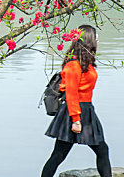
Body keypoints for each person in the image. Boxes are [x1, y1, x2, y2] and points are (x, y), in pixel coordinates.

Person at [41, 24, 111, 177]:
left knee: (102, 150)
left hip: (87, 110)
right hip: (73, 113)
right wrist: (76, 120)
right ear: (88, 40)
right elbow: (71, 93)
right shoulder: (73, 64)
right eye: (95, 36)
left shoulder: (86, 63)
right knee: (58, 155)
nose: (98, 39)